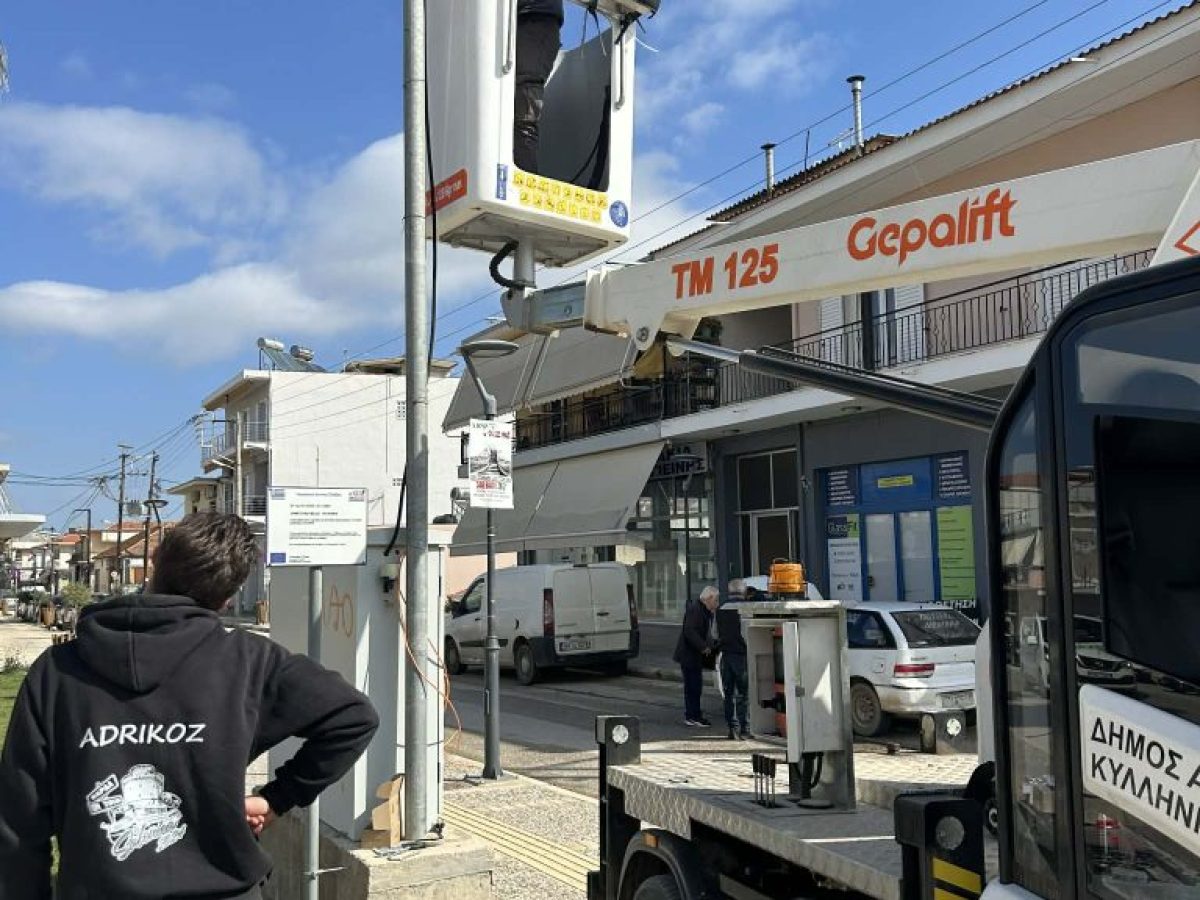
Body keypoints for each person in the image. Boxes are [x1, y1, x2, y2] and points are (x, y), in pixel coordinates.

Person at [0, 512, 380, 900]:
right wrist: (276, 799)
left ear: (155, 559)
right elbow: (355, 716)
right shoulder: (249, 661)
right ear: (229, 594)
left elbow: (16, 819)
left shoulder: (58, 671)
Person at [514, 0, 564, 174]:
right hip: (528, 22)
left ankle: (524, 179)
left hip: (535, 22)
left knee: (524, 110)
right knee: (520, 107)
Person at [673, 585, 719, 727]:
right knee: (693, 686)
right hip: (690, 655)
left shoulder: (702, 610)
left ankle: (692, 715)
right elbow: (690, 631)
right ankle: (694, 716)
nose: (717, 604)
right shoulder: (696, 610)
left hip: (692, 655)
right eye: (716, 600)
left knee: (693, 686)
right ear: (709, 598)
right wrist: (703, 647)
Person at [716, 580, 751, 741]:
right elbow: (747, 635)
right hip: (741, 656)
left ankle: (733, 728)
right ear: (743, 592)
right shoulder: (745, 609)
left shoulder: (721, 609)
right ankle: (745, 728)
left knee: (728, 694)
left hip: (726, 656)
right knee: (745, 694)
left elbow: (714, 634)